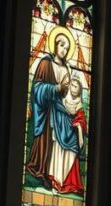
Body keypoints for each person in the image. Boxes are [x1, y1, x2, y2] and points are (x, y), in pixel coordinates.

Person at [24, 29, 86, 195]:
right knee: (48, 142)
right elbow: (37, 89)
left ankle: (60, 176)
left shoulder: (67, 67)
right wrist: (56, 88)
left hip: (62, 109)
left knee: (70, 139)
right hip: (47, 109)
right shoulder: (45, 63)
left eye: (67, 48)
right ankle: (43, 172)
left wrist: (69, 96)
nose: (64, 50)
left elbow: (70, 91)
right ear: (55, 45)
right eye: (62, 45)